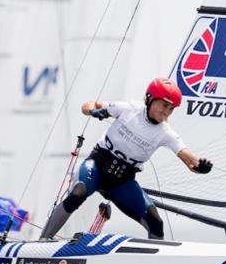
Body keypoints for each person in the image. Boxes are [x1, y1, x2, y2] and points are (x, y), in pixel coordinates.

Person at [40, 78, 212, 240]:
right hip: (97, 167)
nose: (166, 112)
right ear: (150, 99)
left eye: (171, 108)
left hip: (121, 182)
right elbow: (87, 105)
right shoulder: (129, 109)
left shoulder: (166, 133)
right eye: (164, 105)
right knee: (78, 193)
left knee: (155, 222)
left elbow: (187, 157)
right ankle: (41, 242)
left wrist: (199, 166)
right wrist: (94, 110)